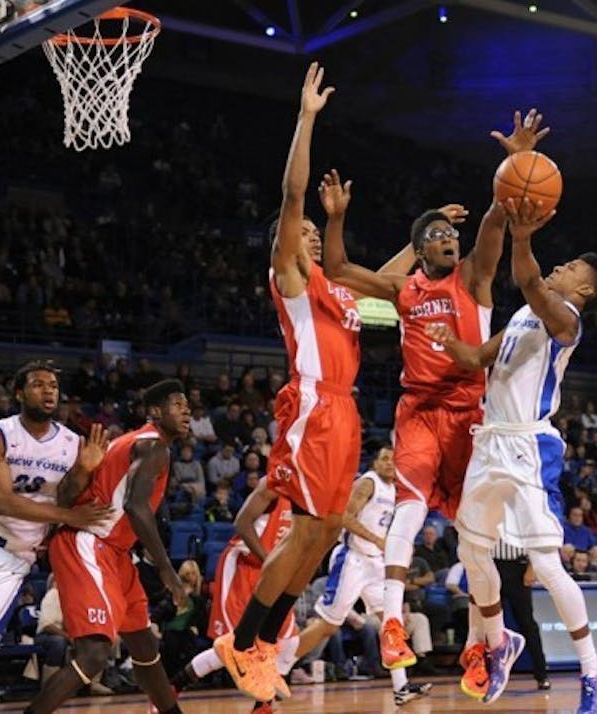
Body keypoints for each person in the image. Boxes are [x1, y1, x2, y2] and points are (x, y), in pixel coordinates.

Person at [212, 63, 421, 704]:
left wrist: (424, 236)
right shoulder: (291, 278)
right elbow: (292, 195)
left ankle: (268, 648)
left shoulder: (334, 286)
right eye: (298, 231)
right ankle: (243, 642)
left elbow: (387, 282)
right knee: (304, 530)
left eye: (310, 232)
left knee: (327, 532)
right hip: (310, 403)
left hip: (345, 410)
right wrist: (306, 119)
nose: (307, 233)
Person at [318, 106, 550, 676]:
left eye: (453, 234)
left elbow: (495, 223)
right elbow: (338, 267)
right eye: (439, 236)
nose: (451, 239)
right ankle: (393, 625)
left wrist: (515, 163)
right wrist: (336, 217)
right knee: (409, 505)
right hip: (420, 409)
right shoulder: (403, 289)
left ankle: (489, 641)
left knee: (477, 537)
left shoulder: (474, 277)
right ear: (421, 249)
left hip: (471, 411)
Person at [426, 197, 597, 712]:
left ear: (582, 290)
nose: (561, 267)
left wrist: (523, 236)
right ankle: (498, 642)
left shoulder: (566, 321)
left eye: (571, 267)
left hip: (531, 446)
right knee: (471, 551)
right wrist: (447, 341)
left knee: (546, 564)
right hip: (491, 441)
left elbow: (532, 281)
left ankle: (593, 669)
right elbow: (473, 359)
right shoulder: (519, 318)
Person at [0, 361, 111, 714]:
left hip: (15, 560)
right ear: (18, 393)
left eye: (53, 386)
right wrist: (68, 516)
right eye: (38, 384)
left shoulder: (72, 442)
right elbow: (2, 501)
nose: (48, 391)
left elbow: (65, 496)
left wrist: (83, 469)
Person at [26, 379, 192, 714]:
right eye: (178, 404)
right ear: (156, 412)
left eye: (188, 405)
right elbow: (136, 506)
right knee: (93, 654)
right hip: (90, 544)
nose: (187, 410)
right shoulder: (153, 445)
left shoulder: (139, 443)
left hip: (114, 551)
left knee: (145, 645)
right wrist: (167, 571)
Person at [293, 445, 432, 705]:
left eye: (394, 459)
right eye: (385, 459)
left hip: (375, 564)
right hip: (352, 560)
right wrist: (378, 541)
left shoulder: (395, 491)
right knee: (327, 626)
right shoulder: (368, 483)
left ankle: (401, 687)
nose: (390, 463)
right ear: (375, 463)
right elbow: (344, 517)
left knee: (391, 622)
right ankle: (281, 666)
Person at [172, 478, 298, 714]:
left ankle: (263, 704)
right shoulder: (274, 486)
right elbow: (242, 524)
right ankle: (175, 686)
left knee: (289, 641)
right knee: (236, 645)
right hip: (244, 566)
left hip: (273, 570)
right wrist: (270, 561)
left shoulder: (309, 498)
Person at [492, 539, 550, 690]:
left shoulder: (522, 514)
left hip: (519, 567)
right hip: (492, 565)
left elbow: (534, 537)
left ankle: (541, 673)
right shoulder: (488, 514)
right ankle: (488, 674)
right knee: (490, 624)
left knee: (527, 623)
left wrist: (532, 566)